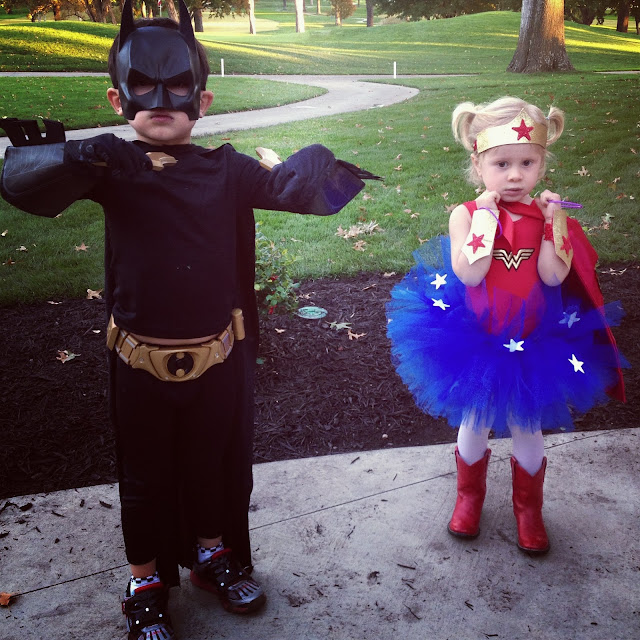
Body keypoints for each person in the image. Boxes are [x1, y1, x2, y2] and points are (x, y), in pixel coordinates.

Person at [0, 1, 379, 638]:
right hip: (138, 362)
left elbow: (304, 194)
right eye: (142, 88)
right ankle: (145, 581)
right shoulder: (110, 170)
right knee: (143, 477)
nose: (160, 101)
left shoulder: (227, 170)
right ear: (118, 99)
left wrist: (314, 167)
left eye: (177, 88)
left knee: (210, 463)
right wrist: (78, 156)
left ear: (202, 101)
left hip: (215, 357)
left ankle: (211, 555)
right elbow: (19, 185)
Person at [386, 96, 626, 556]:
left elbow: (552, 276)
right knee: (475, 421)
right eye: (502, 164)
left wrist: (554, 224)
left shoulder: (545, 217)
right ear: (478, 165)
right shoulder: (465, 214)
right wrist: (486, 217)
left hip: (533, 342)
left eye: (527, 163)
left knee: (526, 425)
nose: (515, 175)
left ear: (541, 165)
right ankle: (468, 498)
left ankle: (528, 509)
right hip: (477, 339)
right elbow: (470, 273)